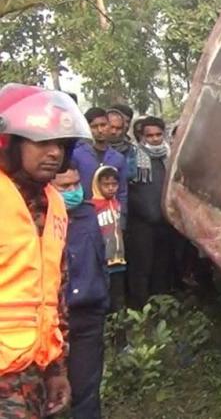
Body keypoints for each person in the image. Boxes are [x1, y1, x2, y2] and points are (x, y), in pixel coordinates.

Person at [0, 83, 92, 417]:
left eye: (60, 144)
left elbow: (55, 295)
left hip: (34, 369)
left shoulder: (53, 203)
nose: (53, 152)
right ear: (10, 143)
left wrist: (56, 369)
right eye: (41, 142)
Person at [51, 164, 109, 419]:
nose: (73, 191)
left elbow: (101, 259)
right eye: (65, 187)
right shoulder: (37, 218)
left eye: (76, 184)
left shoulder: (88, 214)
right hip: (50, 321)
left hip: (88, 313)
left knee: (86, 390)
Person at [127, 116, 175, 309]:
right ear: (142, 136)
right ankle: (141, 307)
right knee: (142, 265)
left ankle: (161, 304)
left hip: (165, 221)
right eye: (150, 135)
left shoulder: (170, 156)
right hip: (141, 222)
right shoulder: (134, 158)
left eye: (158, 134)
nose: (155, 139)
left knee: (162, 264)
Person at [72, 107, 128, 228]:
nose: (100, 130)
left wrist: (121, 218)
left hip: (110, 217)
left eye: (103, 125)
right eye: (94, 126)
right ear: (87, 128)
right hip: (83, 217)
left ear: (109, 125)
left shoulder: (118, 158)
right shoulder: (76, 155)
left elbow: (122, 192)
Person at [91, 165, 127, 314]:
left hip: (118, 258)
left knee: (117, 296)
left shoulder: (117, 204)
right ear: (97, 185)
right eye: (106, 185)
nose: (111, 188)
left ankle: (118, 327)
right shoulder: (93, 206)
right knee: (103, 295)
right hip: (102, 261)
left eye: (114, 185)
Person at [106, 107, 137, 180]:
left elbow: (130, 174)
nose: (114, 132)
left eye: (118, 128)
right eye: (111, 127)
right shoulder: (92, 147)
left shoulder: (129, 149)